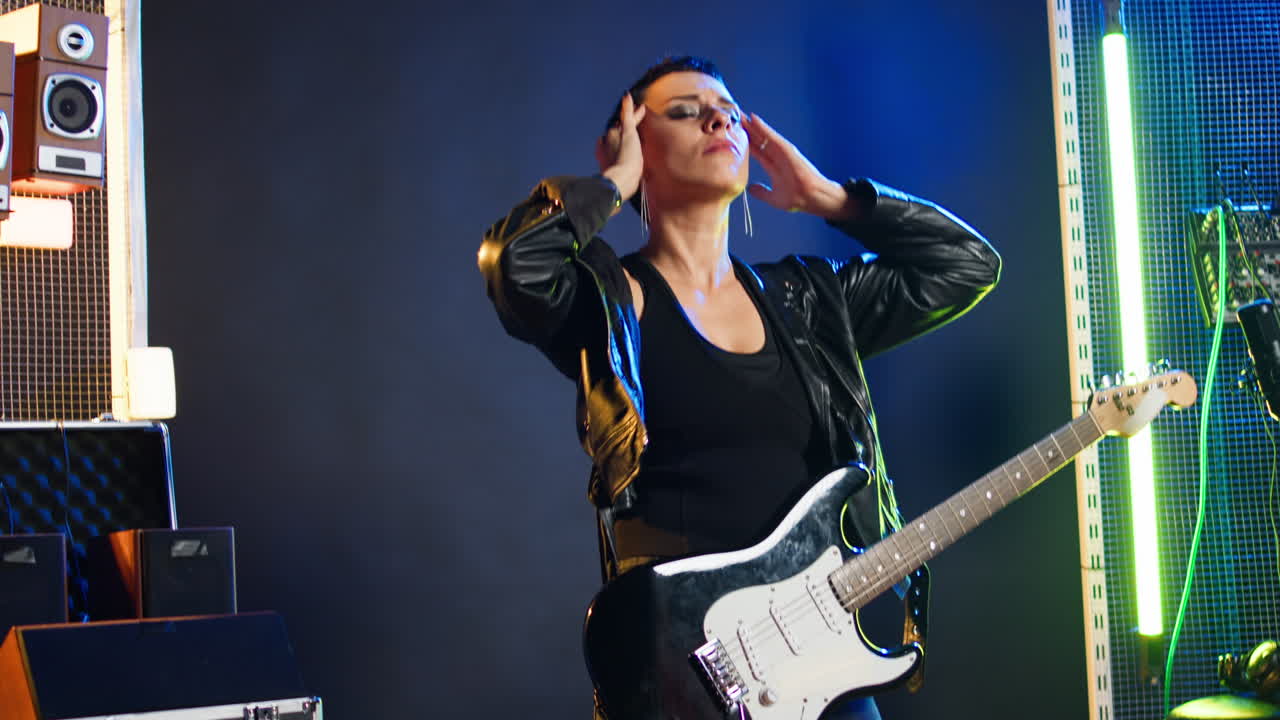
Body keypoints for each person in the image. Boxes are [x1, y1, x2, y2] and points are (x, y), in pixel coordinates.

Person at [478, 56, 1000, 720]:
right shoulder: (610, 304)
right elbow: (514, 266)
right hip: (682, 674)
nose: (717, 117)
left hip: (817, 665)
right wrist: (612, 182)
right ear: (638, 142)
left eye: (724, 108)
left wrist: (830, 198)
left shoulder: (810, 301)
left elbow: (968, 266)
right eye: (685, 110)